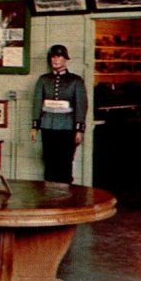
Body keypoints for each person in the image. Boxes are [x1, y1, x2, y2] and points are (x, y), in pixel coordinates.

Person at [30, 44, 88, 184]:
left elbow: (81, 105)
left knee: (65, 163)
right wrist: (35, 127)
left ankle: (64, 199)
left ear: (65, 59)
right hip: (48, 126)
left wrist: (79, 130)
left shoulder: (75, 80)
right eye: (53, 57)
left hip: (67, 128)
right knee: (49, 162)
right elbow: (37, 103)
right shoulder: (44, 79)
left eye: (59, 56)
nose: (55, 60)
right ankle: (49, 197)